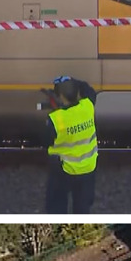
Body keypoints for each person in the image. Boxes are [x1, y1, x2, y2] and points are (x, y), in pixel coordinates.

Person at [41, 75, 99, 214]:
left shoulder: (56, 119)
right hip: (88, 167)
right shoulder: (87, 106)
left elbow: (45, 142)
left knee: (56, 205)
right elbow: (89, 89)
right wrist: (71, 80)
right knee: (83, 208)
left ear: (60, 97)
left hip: (64, 170)